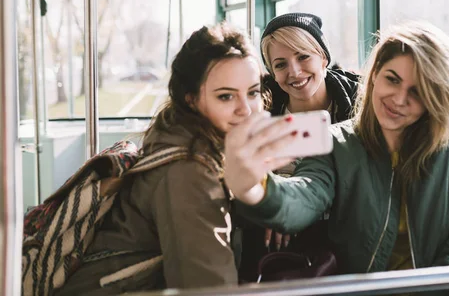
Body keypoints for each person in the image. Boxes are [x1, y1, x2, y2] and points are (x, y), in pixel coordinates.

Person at [225, 21, 449, 296]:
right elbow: (305, 195)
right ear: (374, 76)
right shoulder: (338, 142)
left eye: (417, 90)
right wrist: (254, 187)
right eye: (392, 80)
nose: (398, 99)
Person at [57, 24, 285, 295]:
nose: (246, 109)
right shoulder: (189, 172)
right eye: (226, 96)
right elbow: (208, 288)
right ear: (191, 99)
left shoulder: (184, 139)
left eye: (253, 92)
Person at [238, 13, 360, 281]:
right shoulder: (263, 111)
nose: (294, 72)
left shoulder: (360, 105)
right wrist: (282, 207)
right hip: (275, 237)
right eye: (281, 65)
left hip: (342, 225)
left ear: (323, 58)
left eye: (303, 57)